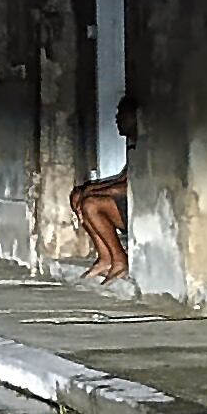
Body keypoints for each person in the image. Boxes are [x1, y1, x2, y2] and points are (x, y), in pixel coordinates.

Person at [69, 96, 138, 283]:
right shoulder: (132, 144)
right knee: (79, 196)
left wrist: (91, 192)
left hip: (140, 210)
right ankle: (106, 258)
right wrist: (87, 190)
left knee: (91, 205)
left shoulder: (146, 145)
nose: (117, 119)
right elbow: (122, 178)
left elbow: (128, 187)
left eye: (121, 115)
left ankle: (120, 259)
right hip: (128, 206)